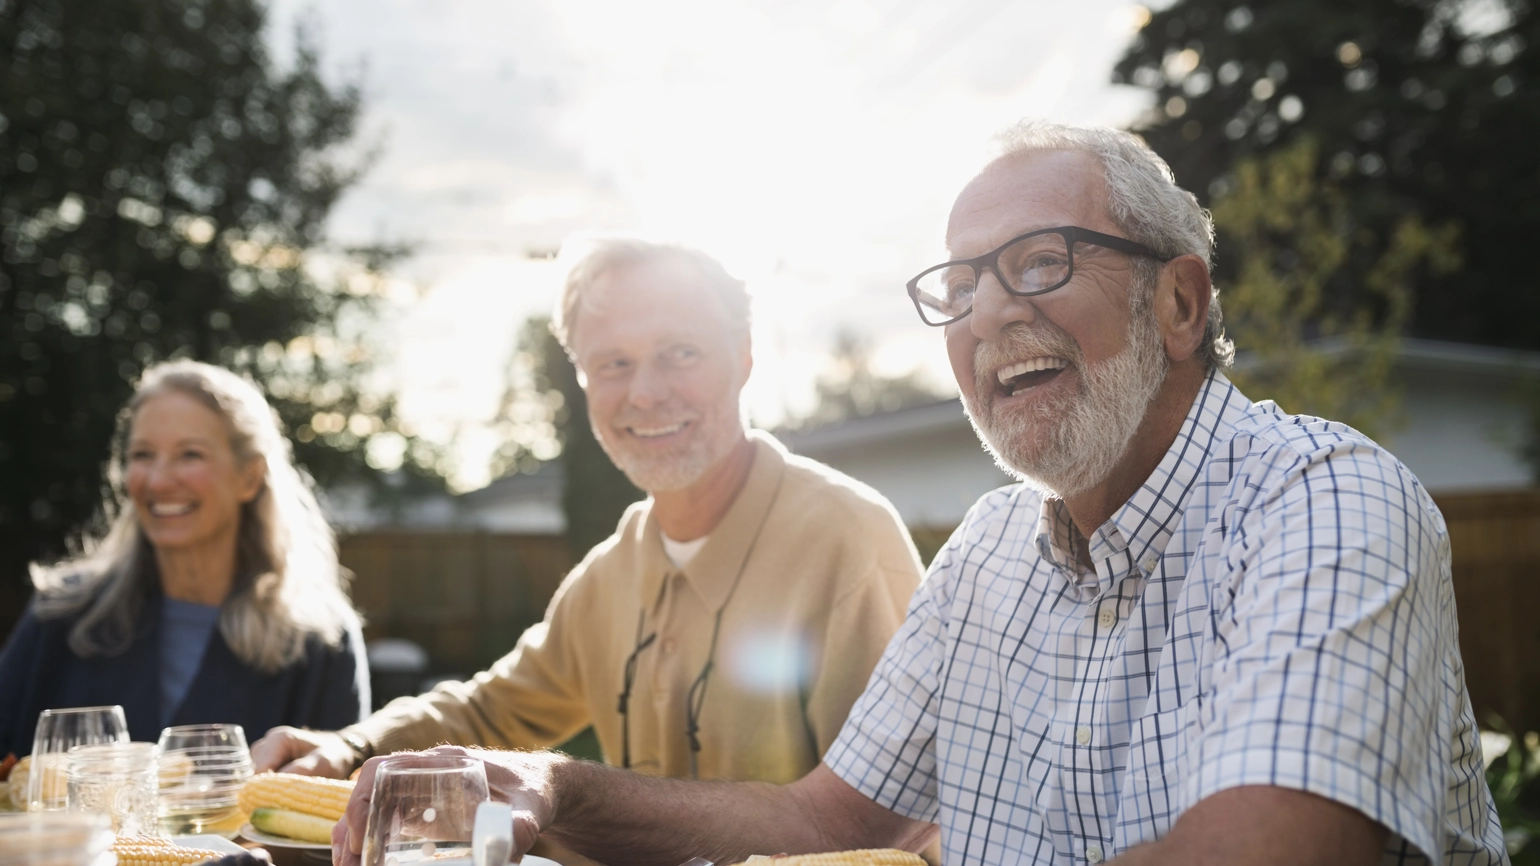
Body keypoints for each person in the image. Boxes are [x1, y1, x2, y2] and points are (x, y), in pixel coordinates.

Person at [331, 120, 1507, 866]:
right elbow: (823, 824)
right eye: (959, 284)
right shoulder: (993, 546)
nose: (991, 310)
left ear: (1181, 304)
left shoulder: (1327, 501)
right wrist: (552, 785)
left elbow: (1267, 851)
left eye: (1040, 260)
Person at [252, 241, 923, 797]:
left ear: (744, 357)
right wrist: (351, 748)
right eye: (614, 364)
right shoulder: (614, 570)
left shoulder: (848, 542)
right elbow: (492, 712)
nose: (645, 392)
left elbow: (889, 817)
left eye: (680, 353)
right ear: (582, 383)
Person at [0, 361, 369, 752]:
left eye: (190, 454)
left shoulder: (321, 642)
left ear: (249, 477)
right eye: (143, 454)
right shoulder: (59, 615)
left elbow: (343, 799)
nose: (158, 480)